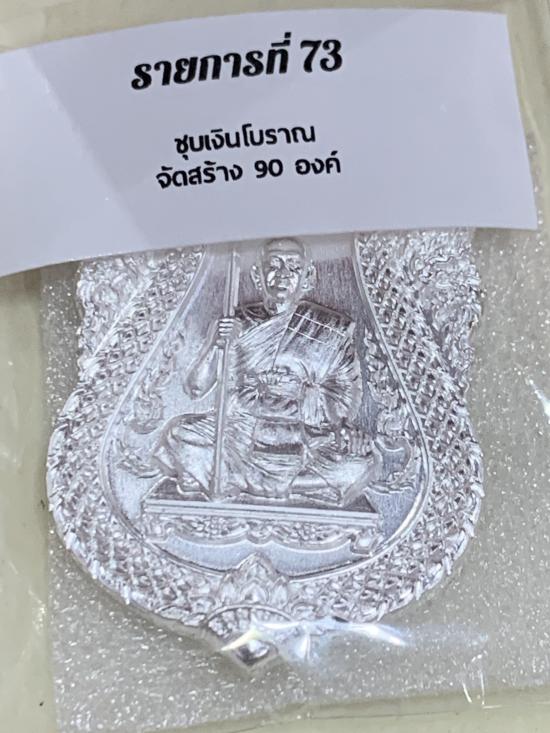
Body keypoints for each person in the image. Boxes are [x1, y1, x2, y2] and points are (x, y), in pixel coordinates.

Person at [151, 238, 381, 508]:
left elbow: (343, 398)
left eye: (293, 267)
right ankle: (275, 484)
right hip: (240, 433)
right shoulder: (237, 323)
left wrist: (302, 394)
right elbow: (196, 389)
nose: (282, 274)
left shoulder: (330, 329)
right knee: (178, 433)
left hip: (302, 437)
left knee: (361, 462)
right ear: (257, 275)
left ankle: (231, 479)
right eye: (273, 265)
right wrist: (217, 344)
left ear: (308, 276)